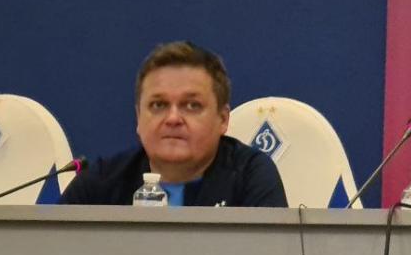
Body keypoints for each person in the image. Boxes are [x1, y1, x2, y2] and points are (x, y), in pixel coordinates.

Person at [61, 41, 287, 207]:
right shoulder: (100, 185)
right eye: (158, 105)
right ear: (139, 118)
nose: (172, 118)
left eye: (192, 105)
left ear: (223, 119)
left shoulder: (250, 177)